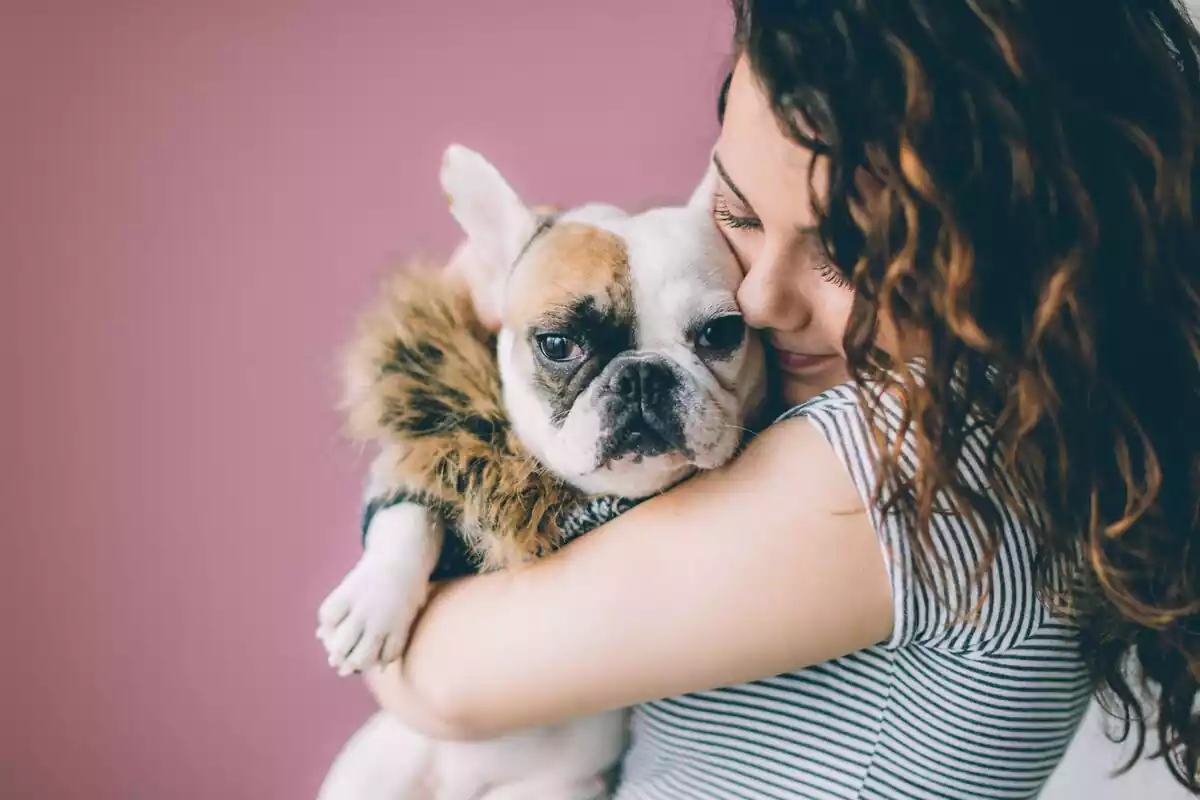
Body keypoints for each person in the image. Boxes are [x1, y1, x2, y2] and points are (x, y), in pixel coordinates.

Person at [362, 1, 1200, 796]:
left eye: (845, 253)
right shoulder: (1004, 433)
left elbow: (437, 678)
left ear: (1028, 258)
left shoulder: (922, 466)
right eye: (739, 210)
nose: (759, 299)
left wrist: (445, 377)